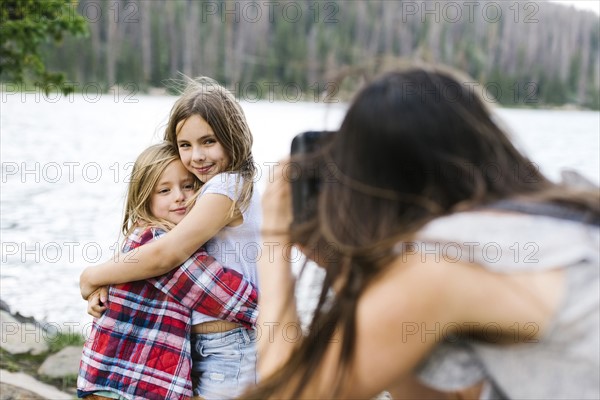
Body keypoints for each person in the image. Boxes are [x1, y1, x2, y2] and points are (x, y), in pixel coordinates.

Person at [247, 66, 600, 399]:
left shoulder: (448, 257)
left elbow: (288, 394)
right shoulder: (566, 209)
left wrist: (275, 235)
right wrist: (352, 272)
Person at [80, 78, 261, 399]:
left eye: (209, 141)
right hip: (212, 344)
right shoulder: (209, 190)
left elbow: (166, 256)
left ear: (233, 136)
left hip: (231, 345)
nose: (197, 156)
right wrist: (111, 281)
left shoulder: (227, 188)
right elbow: (157, 257)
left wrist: (93, 275)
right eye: (186, 145)